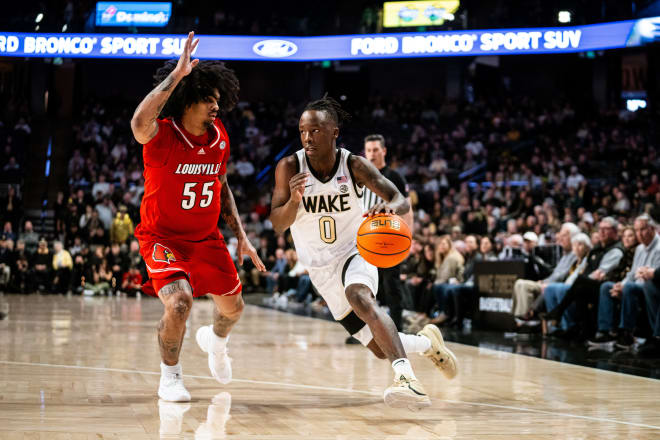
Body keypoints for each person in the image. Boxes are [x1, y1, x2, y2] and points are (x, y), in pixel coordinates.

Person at [270, 95, 457, 411]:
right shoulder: (289, 167)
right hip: (318, 267)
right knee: (377, 348)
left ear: (334, 132)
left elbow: (401, 199)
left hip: (355, 250)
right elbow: (277, 223)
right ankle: (428, 344)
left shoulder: (354, 164)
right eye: (303, 131)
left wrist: (389, 209)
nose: (307, 137)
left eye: (315, 131)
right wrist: (293, 201)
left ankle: (406, 379)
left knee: (360, 296)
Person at [130, 31, 265, 402]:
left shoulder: (219, 136)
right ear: (186, 101)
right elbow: (138, 123)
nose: (215, 107)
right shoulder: (162, 138)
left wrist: (242, 234)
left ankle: (215, 342)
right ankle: (170, 377)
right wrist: (177, 74)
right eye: (207, 99)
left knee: (234, 309)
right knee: (180, 302)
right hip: (162, 237)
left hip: (206, 239)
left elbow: (221, 185)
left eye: (217, 100)